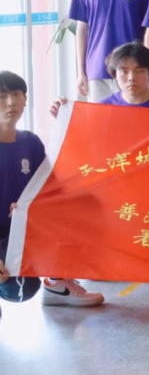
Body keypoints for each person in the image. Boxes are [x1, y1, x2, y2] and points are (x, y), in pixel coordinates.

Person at [2, 71, 105, 309]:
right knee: (18, 289)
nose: (10, 103)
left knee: (86, 205)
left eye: (16, 94)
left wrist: (66, 125)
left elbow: (54, 187)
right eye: (1, 97)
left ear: (25, 100)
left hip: (22, 232)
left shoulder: (30, 142)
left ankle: (57, 282)